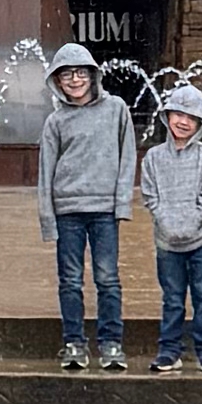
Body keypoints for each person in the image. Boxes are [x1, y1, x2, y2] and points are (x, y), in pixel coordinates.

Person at [36, 45, 134, 370]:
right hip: (68, 212)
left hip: (105, 209)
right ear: (57, 81)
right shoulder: (55, 121)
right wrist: (47, 218)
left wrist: (122, 204)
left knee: (108, 278)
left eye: (80, 73)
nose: (75, 80)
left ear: (93, 75)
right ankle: (74, 343)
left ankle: (111, 344)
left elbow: (127, 158)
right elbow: (45, 172)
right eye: (67, 74)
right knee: (70, 280)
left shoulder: (117, 109)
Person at [139, 84, 202, 370]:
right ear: (167, 116)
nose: (183, 121)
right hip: (167, 244)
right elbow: (149, 196)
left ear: (200, 123)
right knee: (172, 300)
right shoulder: (153, 157)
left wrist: (194, 222)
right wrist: (164, 221)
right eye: (178, 113)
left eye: (191, 117)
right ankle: (169, 351)